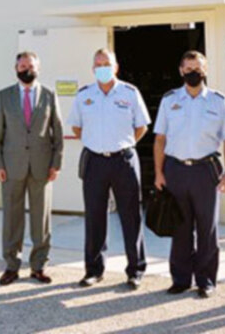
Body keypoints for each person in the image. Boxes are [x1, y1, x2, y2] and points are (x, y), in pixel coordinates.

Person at [153, 50, 225, 298]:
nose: (193, 73)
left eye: (198, 68)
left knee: (206, 228)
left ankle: (206, 280)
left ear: (206, 70)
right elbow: (160, 139)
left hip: (205, 171)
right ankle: (180, 279)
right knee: (180, 227)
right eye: (189, 69)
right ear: (181, 71)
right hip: (176, 170)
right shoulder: (169, 100)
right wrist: (158, 173)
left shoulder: (218, 101)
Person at [67, 48, 150, 289]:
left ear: (116, 67)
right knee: (94, 217)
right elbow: (76, 127)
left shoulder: (130, 93)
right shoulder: (84, 95)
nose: (102, 68)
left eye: (107, 64)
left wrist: (124, 143)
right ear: (93, 69)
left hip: (123, 160)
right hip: (95, 161)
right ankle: (94, 270)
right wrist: (96, 142)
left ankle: (135, 270)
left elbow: (141, 126)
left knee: (130, 216)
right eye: (98, 64)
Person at [0, 51, 63, 285]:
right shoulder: (4, 96)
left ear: (38, 68)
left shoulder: (49, 95)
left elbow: (58, 133)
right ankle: (12, 266)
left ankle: (39, 266)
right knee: (12, 219)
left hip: (42, 167)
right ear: (16, 69)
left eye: (30, 66)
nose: (26, 70)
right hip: (11, 168)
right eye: (22, 66)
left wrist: (56, 163)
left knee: (41, 219)